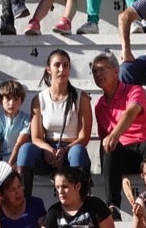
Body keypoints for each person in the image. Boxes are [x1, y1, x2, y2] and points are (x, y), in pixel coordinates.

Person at [91, 52, 146, 213]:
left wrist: (115, 134)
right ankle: (112, 207)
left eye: (102, 69)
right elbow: (104, 138)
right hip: (126, 157)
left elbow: (131, 112)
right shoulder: (99, 106)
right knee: (110, 149)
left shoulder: (134, 90)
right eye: (94, 72)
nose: (98, 74)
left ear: (116, 71)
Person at [16, 49, 93, 196]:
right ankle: (23, 203)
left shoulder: (81, 97)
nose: (61, 69)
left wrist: (64, 150)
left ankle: (81, 202)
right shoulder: (39, 99)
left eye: (65, 65)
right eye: (57, 65)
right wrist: (47, 149)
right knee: (26, 150)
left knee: (78, 152)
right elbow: (36, 136)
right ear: (48, 69)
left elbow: (84, 137)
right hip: (47, 151)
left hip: (71, 150)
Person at [41, 166, 115, 228]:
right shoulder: (54, 211)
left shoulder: (96, 206)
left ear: (78, 186)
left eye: (65, 187)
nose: (60, 191)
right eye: (57, 187)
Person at [0, 163, 46, 228]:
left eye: (19, 186)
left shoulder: (35, 203)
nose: (18, 192)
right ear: (1, 194)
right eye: (12, 189)